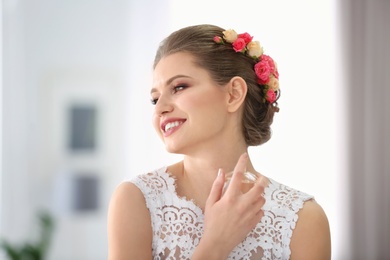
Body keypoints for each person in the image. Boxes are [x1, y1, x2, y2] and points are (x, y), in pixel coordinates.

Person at [108, 24, 331, 259]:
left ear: (234, 94)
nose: (160, 109)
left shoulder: (302, 219)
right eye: (155, 99)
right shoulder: (136, 200)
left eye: (179, 87)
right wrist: (215, 244)